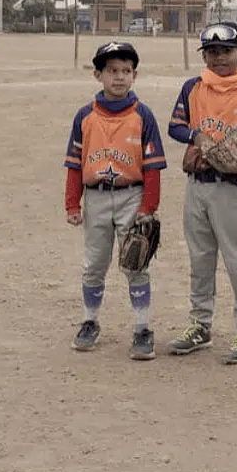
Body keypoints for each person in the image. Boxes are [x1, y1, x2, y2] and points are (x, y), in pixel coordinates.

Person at [166, 22, 237, 365]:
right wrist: (196, 137)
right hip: (197, 185)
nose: (219, 58)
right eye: (212, 52)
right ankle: (200, 325)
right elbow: (175, 126)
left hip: (230, 190)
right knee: (200, 259)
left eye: (226, 51)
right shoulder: (193, 88)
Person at [64, 41, 167, 360]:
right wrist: (72, 204)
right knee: (94, 265)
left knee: (135, 263)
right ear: (98, 75)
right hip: (95, 198)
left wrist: (148, 208)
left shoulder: (143, 115)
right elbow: (74, 164)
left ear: (134, 75)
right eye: (111, 71)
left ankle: (142, 328)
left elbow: (153, 167)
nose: (119, 77)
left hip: (131, 197)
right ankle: (90, 321)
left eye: (125, 71)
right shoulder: (85, 116)